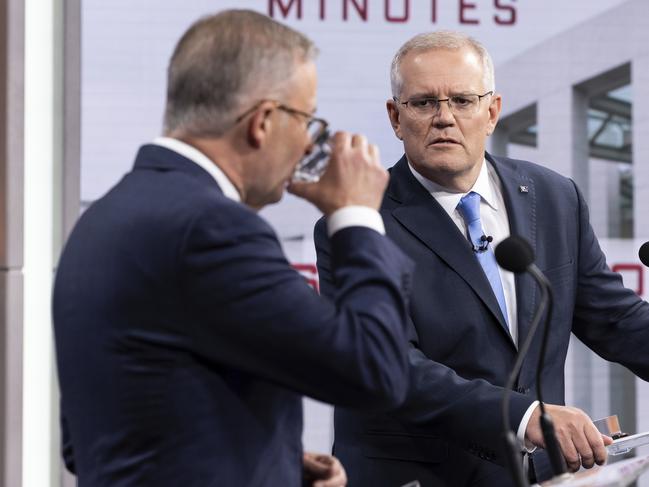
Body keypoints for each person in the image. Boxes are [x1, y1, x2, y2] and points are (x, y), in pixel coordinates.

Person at [53, 10, 415, 487]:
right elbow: (373, 371)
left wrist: (273, 467)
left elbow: (91, 442)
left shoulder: (103, 218)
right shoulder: (213, 228)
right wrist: (357, 215)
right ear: (263, 121)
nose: (309, 143)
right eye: (308, 120)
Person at [314, 31, 649, 486]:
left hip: (540, 476)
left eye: (462, 100)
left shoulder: (554, 197)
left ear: (491, 111)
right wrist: (523, 414)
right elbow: (390, 363)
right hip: (419, 475)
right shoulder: (358, 220)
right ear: (395, 117)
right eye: (424, 103)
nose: (444, 118)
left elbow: (612, 318)